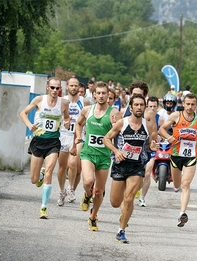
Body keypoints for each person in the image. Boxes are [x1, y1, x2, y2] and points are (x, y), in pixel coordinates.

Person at [103, 94, 159, 243]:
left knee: (129, 198)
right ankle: (124, 214)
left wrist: (151, 146)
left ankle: (121, 231)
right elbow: (106, 139)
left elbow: (150, 144)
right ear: (131, 107)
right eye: (136, 105)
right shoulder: (122, 123)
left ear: (144, 107)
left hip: (137, 166)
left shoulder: (149, 125)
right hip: (120, 165)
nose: (139, 107)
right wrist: (116, 151)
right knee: (116, 203)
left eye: (142, 105)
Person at [19, 78, 70, 219]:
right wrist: (30, 125)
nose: (55, 90)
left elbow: (67, 118)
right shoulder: (39, 100)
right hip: (38, 142)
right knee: (34, 180)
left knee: (49, 173)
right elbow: (22, 113)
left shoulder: (64, 103)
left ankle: (43, 207)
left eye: (57, 88)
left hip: (53, 142)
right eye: (52, 87)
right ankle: (39, 176)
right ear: (48, 87)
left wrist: (66, 123)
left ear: (60, 89)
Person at [75, 81, 121, 231]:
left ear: (108, 95)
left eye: (104, 93)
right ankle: (87, 195)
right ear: (94, 95)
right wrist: (78, 137)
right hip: (88, 152)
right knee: (88, 182)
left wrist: (116, 127)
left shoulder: (114, 113)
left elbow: (118, 133)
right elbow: (78, 124)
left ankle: (93, 216)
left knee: (99, 191)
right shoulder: (87, 110)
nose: (101, 96)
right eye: (98, 93)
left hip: (104, 156)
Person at [159, 93, 197, 227]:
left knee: (186, 184)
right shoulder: (176, 116)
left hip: (191, 155)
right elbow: (162, 129)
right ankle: (176, 186)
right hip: (176, 154)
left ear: (196, 105)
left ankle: (182, 214)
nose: (190, 107)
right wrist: (168, 137)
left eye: (193, 104)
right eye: (188, 104)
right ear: (183, 104)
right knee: (177, 184)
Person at [57, 77, 91, 206]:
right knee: (61, 168)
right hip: (62, 135)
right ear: (67, 87)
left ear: (79, 88)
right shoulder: (62, 101)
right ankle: (62, 190)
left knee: (72, 163)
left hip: (78, 136)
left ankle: (71, 188)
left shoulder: (85, 101)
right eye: (71, 85)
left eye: (76, 86)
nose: (73, 88)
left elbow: (89, 118)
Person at [139, 96, 161, 207]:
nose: (152, 109)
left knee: (147, 173)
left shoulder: (160, 118)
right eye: (150, 106)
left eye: (154, 106)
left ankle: (142, 197)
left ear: (158, 107)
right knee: (138, 173)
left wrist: (160, 137)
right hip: (140, 147)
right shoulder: (141, 114)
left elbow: (163, 131)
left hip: (151, 148)